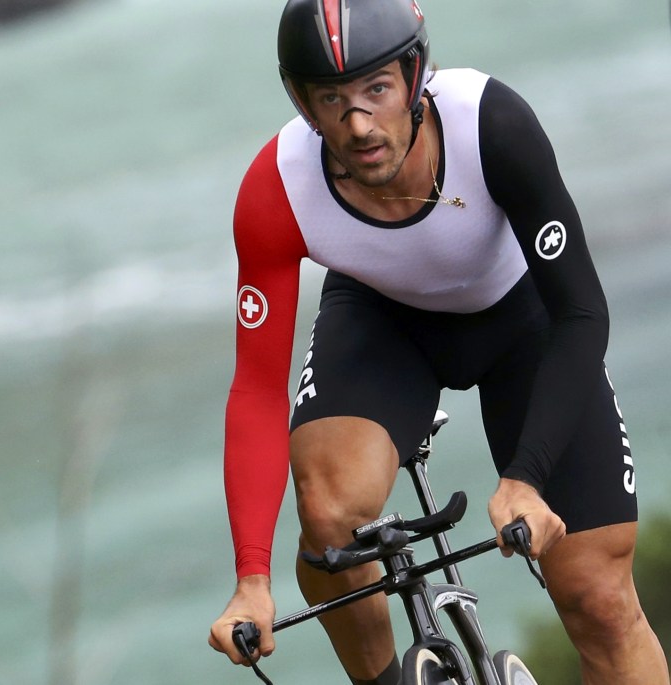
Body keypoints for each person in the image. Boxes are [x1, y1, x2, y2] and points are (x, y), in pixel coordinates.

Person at [207, 0, 670, 683]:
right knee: (330, 518)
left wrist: (526, 477)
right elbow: (254, 389)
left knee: (599, 596)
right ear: (303, 104)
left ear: (415, 74)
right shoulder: (276, 189)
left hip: (528, 321)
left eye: (376, 89)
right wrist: (252, 576)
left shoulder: (491, 124)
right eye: (332, 99)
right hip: (385, 322)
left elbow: (582, 312)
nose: (359, 122)